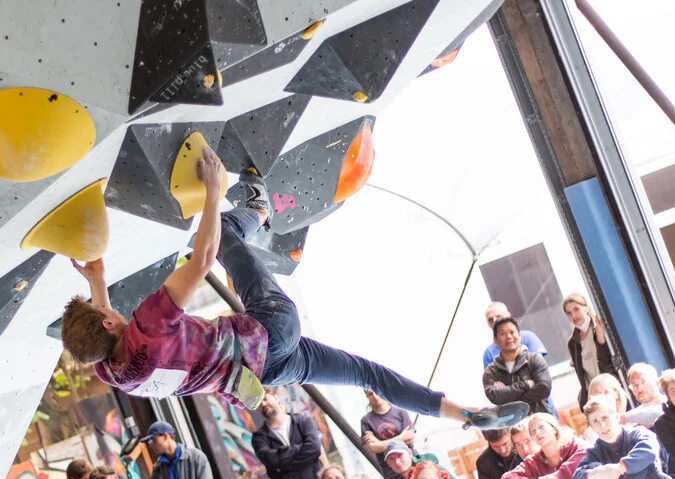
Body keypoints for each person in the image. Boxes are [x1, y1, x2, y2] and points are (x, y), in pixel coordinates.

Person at [60, 148, 525, 428]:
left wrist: (98, 282)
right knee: (219, 232)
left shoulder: (114, 374)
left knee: (369, 375)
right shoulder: (148, 322)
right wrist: (211, 191)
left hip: (267, 373)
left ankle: (464, 414)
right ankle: (258, 210)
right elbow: (201, 259)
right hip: (268, 327)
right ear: (108, 321)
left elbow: (107, 336)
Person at [250, 388, 325, 479]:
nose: (263, 404)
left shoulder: (303, 422)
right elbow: (271, 460)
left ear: (276, 397)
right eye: (258, 403)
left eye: (265, 398)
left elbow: (314, 449)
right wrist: (299, 450)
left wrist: (283, 463)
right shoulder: (259, 438)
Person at [482, 316, 554, 417]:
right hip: (513, 426)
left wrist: (510, 398)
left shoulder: (534, 360)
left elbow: (544, 387)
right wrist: (525, 385)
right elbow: (494, 396)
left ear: (519, 335)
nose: (509, 336)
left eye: (512, 332)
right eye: (503, 333)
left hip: (541, 418)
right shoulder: (491, 372)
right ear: (495, 340)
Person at [563, 293, 620, 410]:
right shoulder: (572, 343)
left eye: (576, 309)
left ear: (586, 308)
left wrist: (601, 341)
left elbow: (610, 361)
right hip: (594, 397)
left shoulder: (599, 328)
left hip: (611, 390)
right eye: (569, 313)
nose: (573, 315)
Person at [482, 301, 548, 368]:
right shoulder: (489, 353)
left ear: (508, 315)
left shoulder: (528, 337)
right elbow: (491, 377)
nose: (494, 321)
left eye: (498, 316)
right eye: (490, 320)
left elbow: (539, 367)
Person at [625, 363, 666, 429]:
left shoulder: (673, 404)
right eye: (634, 385)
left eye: (643, 382)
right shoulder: (631, 421)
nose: (640, 388)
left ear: (657, 382)